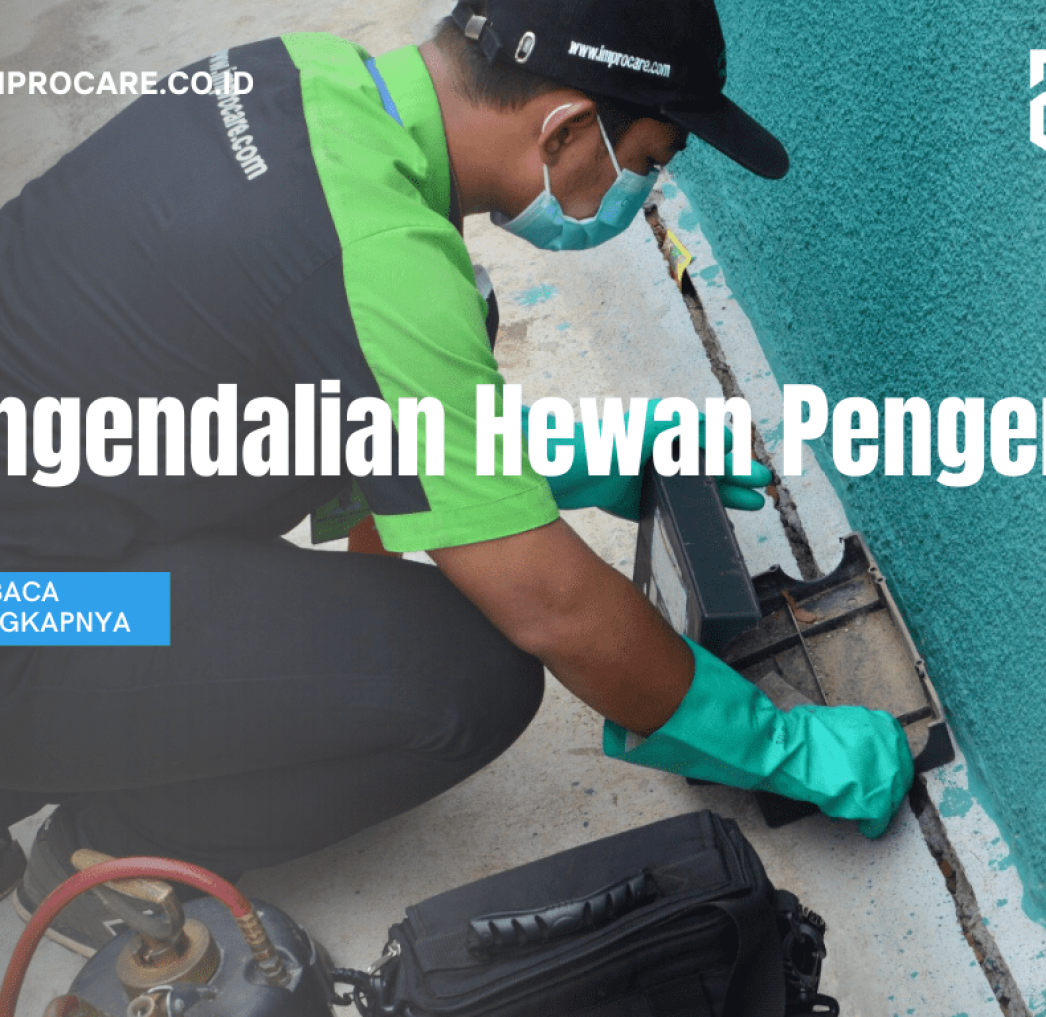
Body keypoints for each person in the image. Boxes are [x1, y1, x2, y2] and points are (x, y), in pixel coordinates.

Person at [0, 0, 913, 957]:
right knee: (464, 678)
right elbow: (553, 608)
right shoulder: (374, 255)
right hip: (45, 612)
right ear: (564, 130)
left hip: (62, 522)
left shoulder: (302, 81)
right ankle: (107, 858)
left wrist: (562, 459)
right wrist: (779, 746)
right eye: (646, 161)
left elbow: (345, 386)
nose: (639, 191)